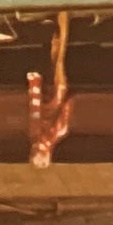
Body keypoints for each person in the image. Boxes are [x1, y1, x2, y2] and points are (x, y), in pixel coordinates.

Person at [26, 12, 75, 169]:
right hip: (55, 92)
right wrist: (34, 84)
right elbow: (35, 110)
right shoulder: (47, 134)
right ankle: (63, 19)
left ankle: (61, 21)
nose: (35, 148)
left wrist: (34, 85)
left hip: (54, 93)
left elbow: (35, 110)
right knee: (58, 59)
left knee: (57, 56)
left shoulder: (47, 134)